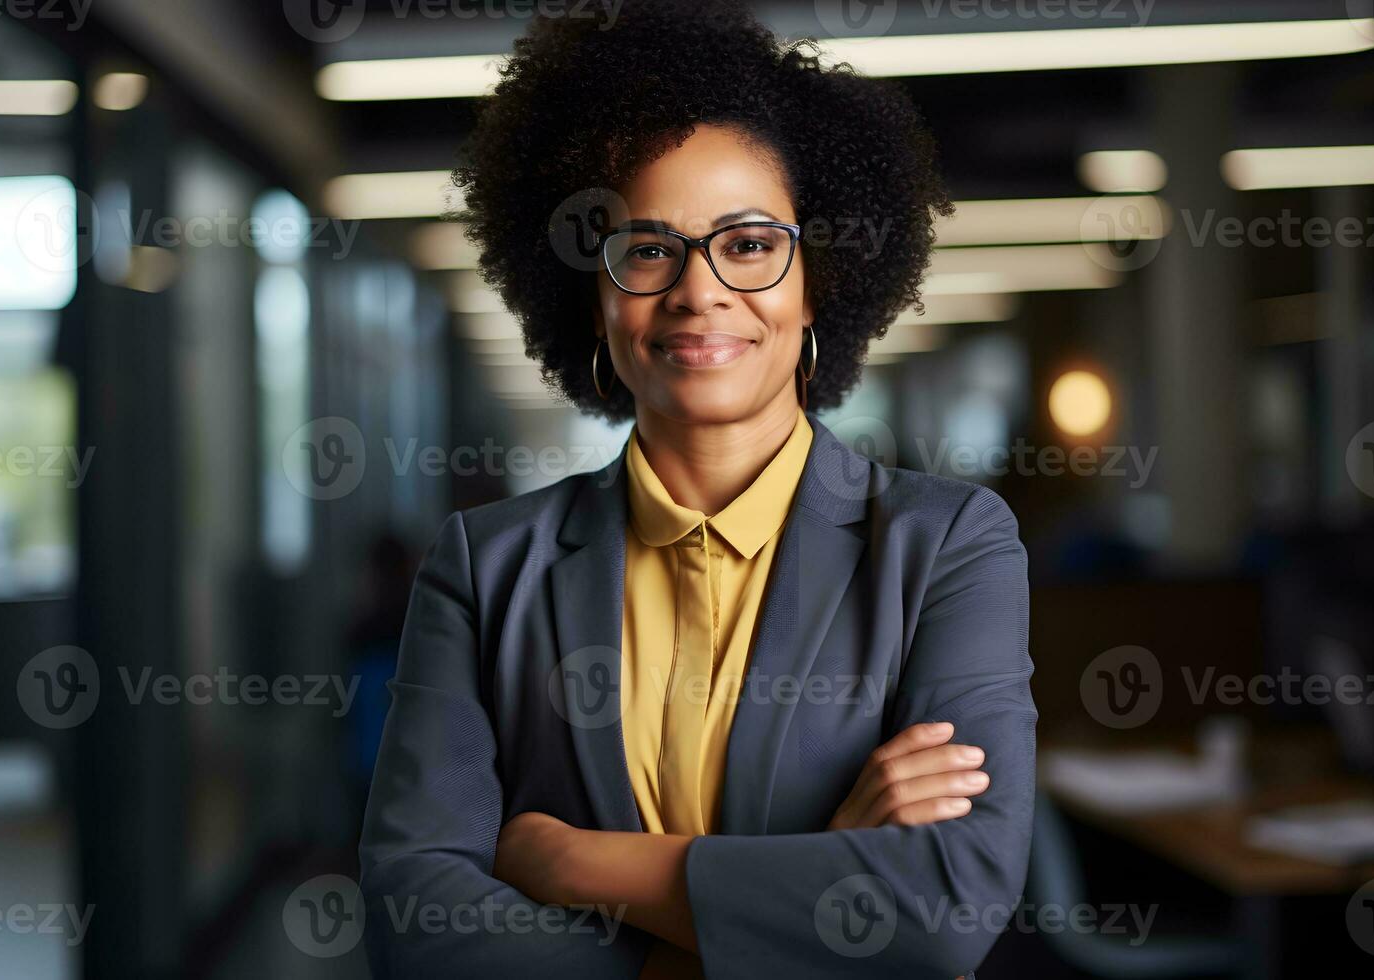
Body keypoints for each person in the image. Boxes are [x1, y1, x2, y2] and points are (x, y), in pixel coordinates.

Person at [358, 3, 1036, 977]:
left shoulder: (945, 545)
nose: (699, 289)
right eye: (646, 248)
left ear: (820, 281)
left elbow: (940, 910)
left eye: (751, 244)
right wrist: (798, 890)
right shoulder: (486, 567)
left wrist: (567, 858)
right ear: (591, 298)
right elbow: (416, 924)